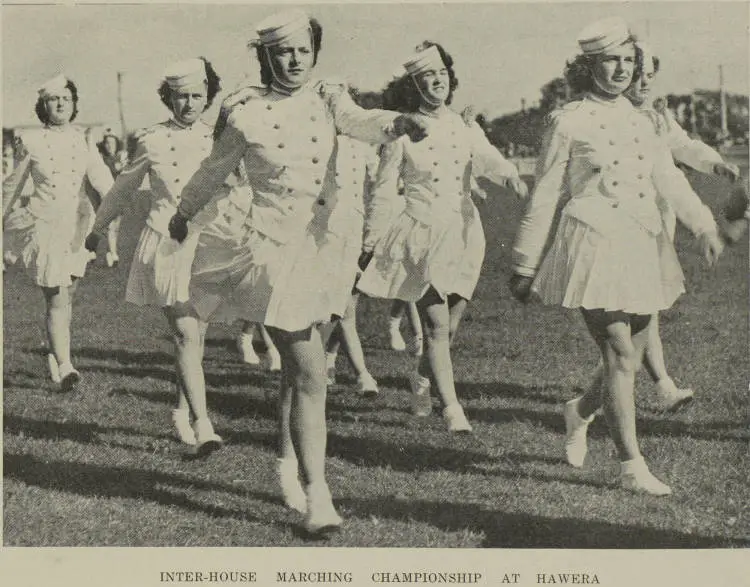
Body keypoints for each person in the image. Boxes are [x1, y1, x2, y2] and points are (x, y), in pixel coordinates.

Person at [167, 10, 428, 535]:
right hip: (272, 251)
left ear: (314, 53)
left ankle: (287, 464)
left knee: (299, 373)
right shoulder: (244, 112)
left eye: (303, 50)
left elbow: (360, 120)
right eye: (283, 52)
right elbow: (213, 170)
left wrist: (396, 122)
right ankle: (319, 498)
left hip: (327, 248)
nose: (294, 60)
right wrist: (182, 212)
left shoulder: (328, 97)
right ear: (265, 56)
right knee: (311, 374)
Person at [509, 18, 724, 495]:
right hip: (592, 240)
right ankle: (631, 466)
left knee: (635, 349)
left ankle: (579, 410)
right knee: (620, 352)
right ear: (588, 67)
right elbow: (543, 196)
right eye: (612, 60)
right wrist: (524, 264)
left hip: (643, 239)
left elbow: (669, 178)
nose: (623, 69)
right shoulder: (568, 121)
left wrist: (704, 225)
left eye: (629, 60)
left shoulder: (643, 120)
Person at [357, 42, 528, 433]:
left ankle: (421, 380)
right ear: (414, 86)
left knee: (448, 330)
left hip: (465, 232)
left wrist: (510, 176)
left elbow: (485, 156)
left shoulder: (463, 125)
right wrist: (370, 242)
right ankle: (452, 409)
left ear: (450, 80)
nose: (436, 82)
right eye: (427, 77)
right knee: (434, 327)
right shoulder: (401, 132)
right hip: (421, 230)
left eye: (441, 75)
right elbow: (383, 191)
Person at [573, 40, 742, 412]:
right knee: (634, 317)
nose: (645, 82)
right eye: (640, 75)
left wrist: (714, 164)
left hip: (653, 225)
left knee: (644, 314)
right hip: (614, 225)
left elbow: (682, 147)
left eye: (650, 75)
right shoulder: (599, 118)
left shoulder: (655, 116)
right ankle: (655, 386)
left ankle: (601, 398)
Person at [86, 58, 224, 455]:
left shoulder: (218, 138)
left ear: (207, 98)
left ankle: (183, 411)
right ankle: (204, 425)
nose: (189, 104)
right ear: (169, 99)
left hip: (208, 242)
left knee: (199, 335)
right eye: (181, 97)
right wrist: (97, 229)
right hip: (166, 242)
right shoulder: (151, 140)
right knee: (185, 333)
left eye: (197, 96)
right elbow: (122, 189)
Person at [3, 74, 114, 390]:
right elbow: (12, 186)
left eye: (66, 97)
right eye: (54, 99)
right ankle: (66, 366)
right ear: (43, 106)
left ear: (74, 103)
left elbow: (101, 180)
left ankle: (56, 353)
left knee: (68, 295)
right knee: (57, 295)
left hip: (77, 226)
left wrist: (113, 205)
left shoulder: (83, 139)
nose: (61, 103)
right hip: (44, 225)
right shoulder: (32, 141)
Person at [324, 134, 380, 396]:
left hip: (354, 232)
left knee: (346, 309)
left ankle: (331, 362)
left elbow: (380, 177)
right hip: (322, 231)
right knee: (334, 311)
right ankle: (362, 374)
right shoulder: (316, 136)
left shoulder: (362, 142)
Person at [97, 131, 129, 267]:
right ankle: (113, 254)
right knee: (111, 227)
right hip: (107, 197)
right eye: (107, 143)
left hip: (119, 197)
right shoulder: (102, 160)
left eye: (112, 143)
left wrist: (124, 164)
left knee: (115, 227)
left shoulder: (121, 158)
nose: (109, 146)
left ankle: (109, 252)